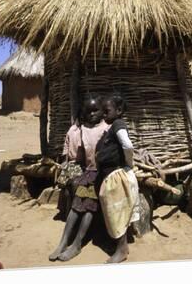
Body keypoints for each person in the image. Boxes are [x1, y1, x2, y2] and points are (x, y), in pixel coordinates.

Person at [49, 94, 109, 262]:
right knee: (77, 205)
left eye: (95, 111)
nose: (91, 114)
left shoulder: (107, 129)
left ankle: (76, 244)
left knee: (89, 205)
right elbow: (81, 156)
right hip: (89, 173)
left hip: (102, 174)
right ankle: (63, 243)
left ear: (103, 111)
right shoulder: (84, 130)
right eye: (88, 111)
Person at [96, 94, 140, 263]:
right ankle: (120, 244)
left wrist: (129, 164)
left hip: (116, 176)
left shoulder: (118, 124)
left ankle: (122, 249)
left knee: (116, 211)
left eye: (106, 111)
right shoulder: (112, 127)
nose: (103, 115)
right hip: (111, 175)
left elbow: (127, 145)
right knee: (115, 210)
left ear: (119, 111)